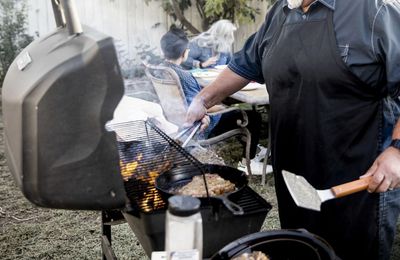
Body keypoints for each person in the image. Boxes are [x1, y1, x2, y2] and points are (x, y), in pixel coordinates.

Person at [184, 0, 400, 259]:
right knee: (302, 249)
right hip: (294, 178)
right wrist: (202, 100)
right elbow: (245, 64)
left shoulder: (374, 10)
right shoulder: (280, 13)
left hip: (357, 182)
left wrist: (397, 151)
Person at [159, 28, 261, 159]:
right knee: (254, 117)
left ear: (163, 50)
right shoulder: (184, 76)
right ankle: (249, 161)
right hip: (198, 126)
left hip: (176, 120)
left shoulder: (162, 69)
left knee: (230, 108)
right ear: (185, 52)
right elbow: (197, 107)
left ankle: (253, 147)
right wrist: (225, 108)